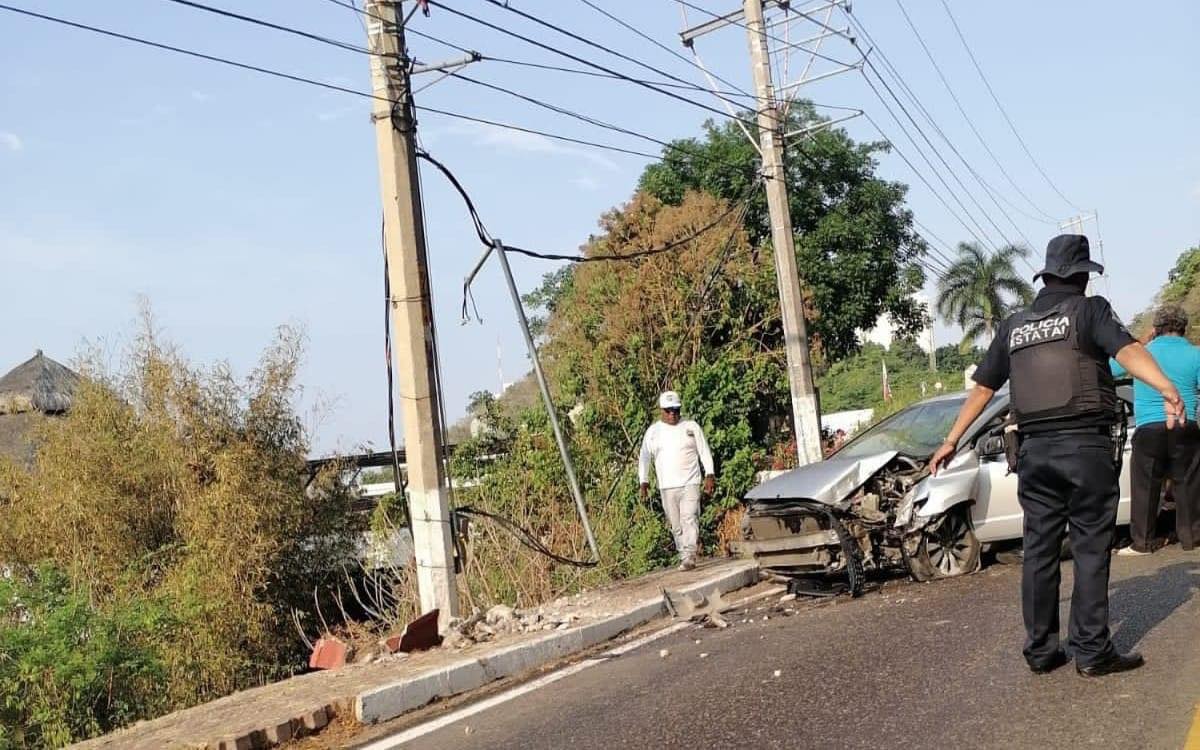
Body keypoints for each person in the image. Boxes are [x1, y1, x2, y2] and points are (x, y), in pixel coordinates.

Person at [930, 234, 1184, 678]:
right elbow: (1127, 351)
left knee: (1040, 550)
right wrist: (1166, 389)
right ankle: (1091, 651)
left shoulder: (1014, 325)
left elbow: (984, 388)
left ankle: (1042, 650)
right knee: (1089, 547)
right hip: (1085, 447)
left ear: (1046, 276)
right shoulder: (1090, 311)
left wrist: (951, 439)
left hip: (1034, 454)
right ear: (1083, 276)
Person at [1112, 304, 1200, 555]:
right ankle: (1192, 537)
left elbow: (1109, 368)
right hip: (1186, 424)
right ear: (1183, 328)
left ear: (1156, 328)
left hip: (1149, 428)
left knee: (1145, 486)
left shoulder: (1142, 353)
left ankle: (1143, 542)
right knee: (1189, 483)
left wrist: (1141, 342)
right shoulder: (1196, 354)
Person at [638, 391, 716, 570]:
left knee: (689, 517)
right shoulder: (653, 432)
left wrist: (709, 474)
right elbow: (644, 457)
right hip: (667, 486)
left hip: (690, 482)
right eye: (668, 411)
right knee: (676, 524)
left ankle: (690, 555)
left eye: (675, 410)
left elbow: (704, 451)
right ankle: (683, 554)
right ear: (661, 411)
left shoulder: (691, 427)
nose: (672, 414)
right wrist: (643, 481)